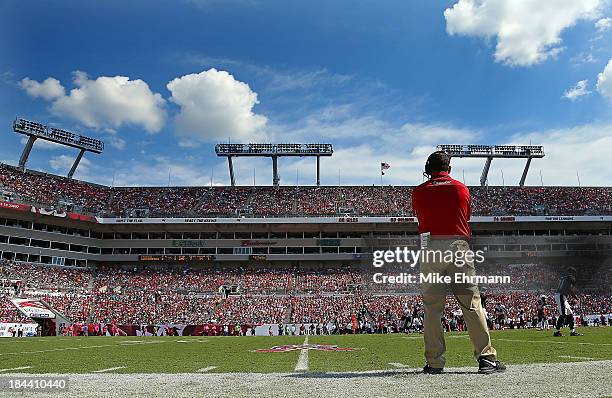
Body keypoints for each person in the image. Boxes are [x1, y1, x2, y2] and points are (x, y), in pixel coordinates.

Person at [412, 151, 505, 374]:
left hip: (429, 248)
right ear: (449, 169)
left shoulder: (418, 192)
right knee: (471, 304)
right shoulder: (461, 188)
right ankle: (486, 358)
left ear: (428, 168)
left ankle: (434, 362)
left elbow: (421, 218)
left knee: (432, 308)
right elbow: (465, 217)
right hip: (457, 247)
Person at [553, 267, 583, 337]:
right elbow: (570, 288)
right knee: (563, 314)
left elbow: (569, 289)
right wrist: (576, 297)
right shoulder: (569, 277)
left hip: (562, 296)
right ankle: (556, 332)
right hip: (561, 295)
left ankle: (572, 331)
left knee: (570, 313)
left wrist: (575, 297)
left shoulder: (564, 278)